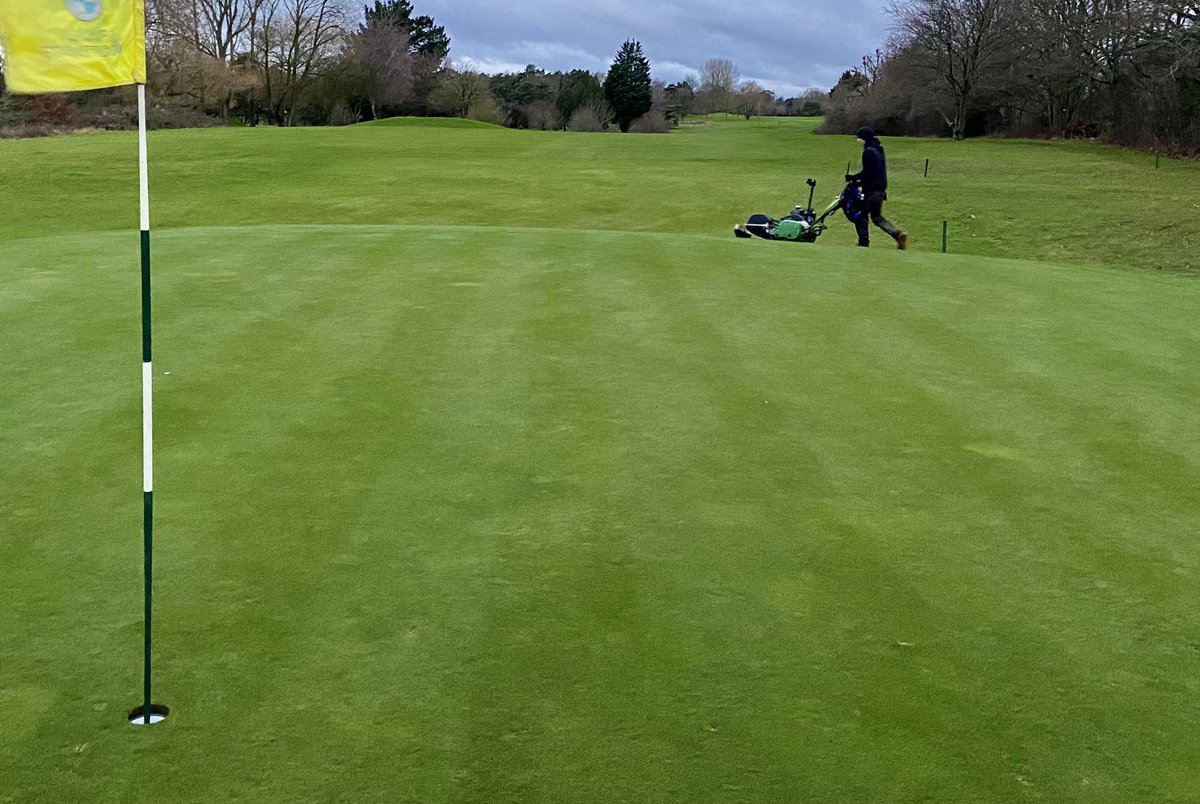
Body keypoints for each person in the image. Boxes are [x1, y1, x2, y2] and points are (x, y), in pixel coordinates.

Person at [845, 127, 908, 250]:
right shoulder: (879, 150)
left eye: (859, 138)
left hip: (871, 190)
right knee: (876, 217)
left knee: (861, 216)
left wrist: (854, 178)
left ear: (864, 138)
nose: (858, 141)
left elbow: (868, 171)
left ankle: (863, 242)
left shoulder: (868, 152)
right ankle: (897, 234)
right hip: (880, 191)